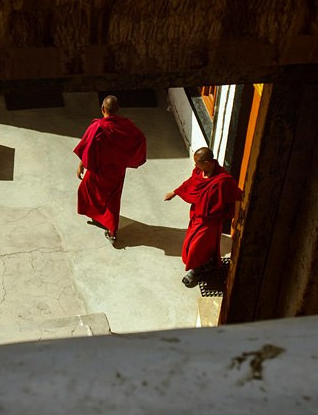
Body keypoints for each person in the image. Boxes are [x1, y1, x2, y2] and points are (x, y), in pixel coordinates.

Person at [164, 147, 243, 288]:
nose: (195, 167)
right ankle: (207, 264)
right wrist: (175, 192)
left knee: (195, 248)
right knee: (197, 246)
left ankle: (195, 270)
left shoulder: (223, 180)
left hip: (211, 222)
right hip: (197, 216)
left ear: (207, 163)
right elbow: (190, 183)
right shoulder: (199, 172)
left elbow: (238, 196)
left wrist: (235, 220)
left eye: (197, 163)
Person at [74, 95, 147, 243]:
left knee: (87, 190)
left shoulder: (97, 127)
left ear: (102, 109)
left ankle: (111, 229)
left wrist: (82, 165)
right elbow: (140, 139)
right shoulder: (127, 126)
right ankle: (110, 229)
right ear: (118, 110)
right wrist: (128, 160)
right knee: (112, 200)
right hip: (117, 171)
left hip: (98, 170)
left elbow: (87, 148)